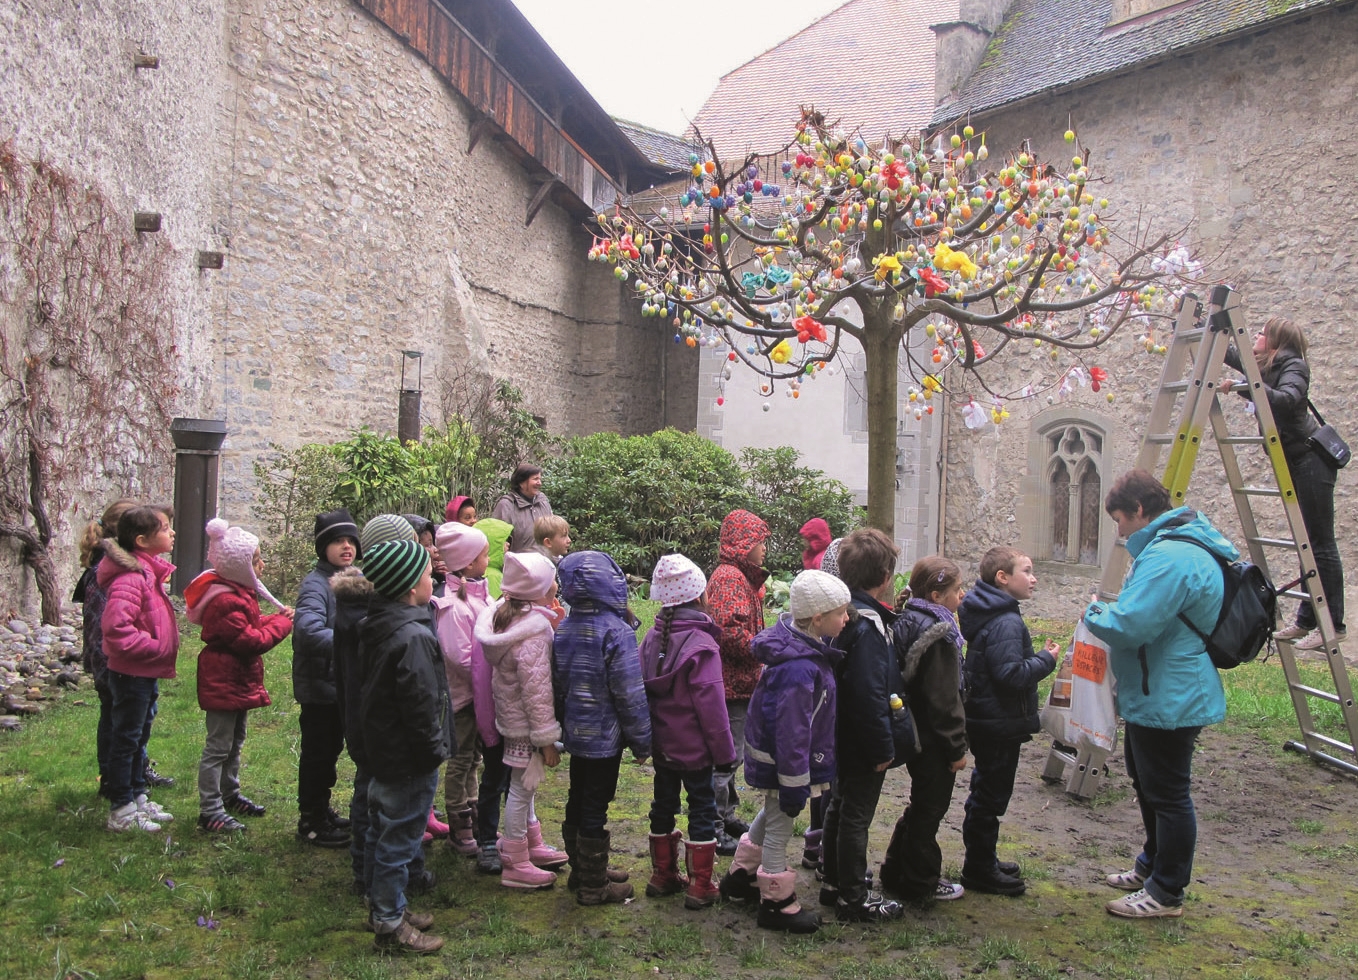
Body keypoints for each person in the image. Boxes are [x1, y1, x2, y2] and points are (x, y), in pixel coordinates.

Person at [1083, 469, 1234, 919]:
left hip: (1171, 692)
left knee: (1167, 793)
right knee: (1149, 783)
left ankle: (1166, 891)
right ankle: (1152, 866)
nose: (1120, 531)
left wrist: (1095, 609)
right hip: (1160, 688)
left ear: (1140, 512)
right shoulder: (1177, 547)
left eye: (1120, 520)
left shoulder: (1171, 558)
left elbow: (1132, 624)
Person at [720, 569, 850, 934]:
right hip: (786, 766)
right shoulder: (799, 668)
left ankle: (741, 875)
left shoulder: (803, 652)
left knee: (771, 812)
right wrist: (795, 782)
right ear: (819, 618)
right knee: (780, 825)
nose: (847, 618)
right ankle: (776, 901)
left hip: (785, 764)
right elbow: (793, 732)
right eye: (841, 612)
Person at [1223, 316, 1346, 649]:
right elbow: (1234, 356)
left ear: (1276, 341)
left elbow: (1289, 398)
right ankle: (1307, 622)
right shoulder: (1267, 365)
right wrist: (1206, 324)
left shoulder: (1294, 366)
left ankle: (1332, 625)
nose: (1257, 337)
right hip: (1295, 461)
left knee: (1320, 544)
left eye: (1262, 333)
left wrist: (1245, 387)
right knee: (1306, 543)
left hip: (1310, 460)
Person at [357, 538, 454, 954]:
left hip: (382, 747)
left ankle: (384, 905)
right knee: (399, 838)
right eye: (427, 574)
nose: (433, 578)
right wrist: (433, 750)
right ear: (410, 586)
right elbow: (420, 702)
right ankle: (390, 925)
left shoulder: (376, 623)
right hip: (408, 755)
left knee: (381, 831)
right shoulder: (413, 635)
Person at [957, 546, 1059, 896]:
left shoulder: (994, 612)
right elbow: (1009, 674)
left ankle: (984, 858)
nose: (1034, 578)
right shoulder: (1005, 621)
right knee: (990, 796)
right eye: (1027, 571)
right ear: (1003, 578)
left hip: (989, 719)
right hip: (997, 722)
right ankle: (979, 868)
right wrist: (1046, 660)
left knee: (987, 791)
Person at [554, 550, 652, 905]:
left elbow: (558, 684)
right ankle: (594, 886)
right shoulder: (617, 631)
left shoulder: (565, 626)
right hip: (605, 738)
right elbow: (629, 693)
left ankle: (582, 869)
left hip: (575, 733)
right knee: (597, 801)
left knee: (577, 797)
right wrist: (642, 742)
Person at [638, 554, 735, 910]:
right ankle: (701, 883)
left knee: (662, 805)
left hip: (662, 746)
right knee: (702, 808)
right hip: (696, 751)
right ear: (700, 596)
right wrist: (725, 754)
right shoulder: (703, 646)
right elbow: (713, 710)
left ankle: (662, 874)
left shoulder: (650, 639)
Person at [819, 528, 906, 923]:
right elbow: (870, 694)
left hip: (839, 733)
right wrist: (882, 747)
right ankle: (854, 896)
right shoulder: (867, 627)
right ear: (885, 577)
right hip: (861, 737)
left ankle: (835, 881)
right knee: (856, 814)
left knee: (839, 806)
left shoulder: (843, 614)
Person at [186, 519, 294, 833]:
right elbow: (251, 640)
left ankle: (228, 793)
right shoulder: (225, 600)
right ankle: (210, 810)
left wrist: (273, 617)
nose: (262, 565)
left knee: (234, 741)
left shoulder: (239, 593)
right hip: (223, 679)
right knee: (218, 746)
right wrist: (283, 624)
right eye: (256, 560)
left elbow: (254, 623)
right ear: (239, 566)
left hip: (236, 679)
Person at [473, 552, 567, 891]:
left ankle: (529, 842)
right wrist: (545, 739)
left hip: (510, 717)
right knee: (521, 788)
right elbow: (537, 691)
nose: (556, 585)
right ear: (538, 590)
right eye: (551, 581)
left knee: (522, 784)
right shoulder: (532, 634)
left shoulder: (507, 619)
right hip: (527, 725)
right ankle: (515, 858)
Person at [880, 555, 970, 903]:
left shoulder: (906, 619)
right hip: (934, 738)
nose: (962, 595)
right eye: (956, 589)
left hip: (912, 729)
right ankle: (921, 881)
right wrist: (956, 748)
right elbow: (944, 699)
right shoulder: (940, 633)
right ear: (936, 595)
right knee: (929, 810)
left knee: (920, 805)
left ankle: (895, 869)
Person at [99, 504, 179, 833]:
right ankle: (121, 808)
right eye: (164, 528)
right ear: (143, 540)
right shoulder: (130, 578)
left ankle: (137, 796)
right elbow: (117, 629)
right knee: (127, 740)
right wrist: (156, 647)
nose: (172, 532)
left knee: (138, 737)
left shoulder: (148, 571)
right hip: (133, 673)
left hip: (145, 673)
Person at [292, 509, 361, 848]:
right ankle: (311, 820)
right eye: (337, 541)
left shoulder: (353, 578)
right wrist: (349, 642)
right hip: (320, 687)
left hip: (340, 686)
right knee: (318, 754)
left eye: (350, 540)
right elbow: (307, 632)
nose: (346, 546)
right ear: (323, 548)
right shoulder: (316, 585)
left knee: (331, 750)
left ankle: (323, 809)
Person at [705, 508, 770, 853]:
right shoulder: (730, 577)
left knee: (733, 754)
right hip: (732, 686)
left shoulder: (738, 575)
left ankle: (727, 814)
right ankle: (713, 825)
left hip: (740, 683)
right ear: (744, 544)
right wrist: (763, 647)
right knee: (725, 758)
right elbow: (728, 630)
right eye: (760, 542)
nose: (764, 550)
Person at [431, 521, 494, 859]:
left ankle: (472, 810)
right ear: (469, 563)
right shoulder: (453, 606)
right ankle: (459, 822)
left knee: (474, 757)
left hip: (480, 695)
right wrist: (487, 678)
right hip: (464, 697)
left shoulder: (479, 596)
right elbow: (459, 656)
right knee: (460, 759)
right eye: (485, 555)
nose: (489, 559)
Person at [73, 498, 139, 801]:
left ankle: (131, 772)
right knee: (116, 718)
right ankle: (112, 778)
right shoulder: (106, 571)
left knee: (126, 719)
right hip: (111, 660)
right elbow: (103, 626)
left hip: (114, 658)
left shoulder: (115, 565)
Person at [491, 464, 554, 553]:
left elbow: (553, 531)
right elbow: (497, 540)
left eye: (540, 479)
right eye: (535, 479)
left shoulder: (543, 501)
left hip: (544, 562)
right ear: (521, 483)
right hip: (518, 564)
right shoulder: (506, 505)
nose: (539, 483)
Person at [475, 517, 514, 599]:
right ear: (492, 545)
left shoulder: (480, 572)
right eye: (503, 541)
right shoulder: (493, 576)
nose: (508, 544)